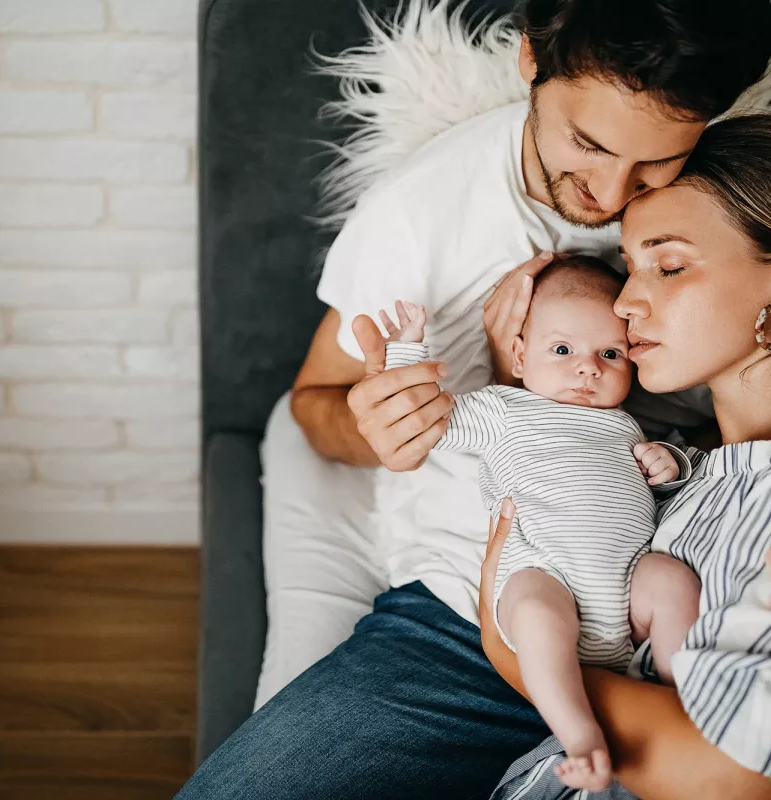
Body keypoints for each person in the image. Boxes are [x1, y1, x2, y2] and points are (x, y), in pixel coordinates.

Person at [175, 1, 771, 797]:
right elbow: (316, 400)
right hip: (477, 609)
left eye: (653, 165)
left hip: (666, 580)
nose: (611, 192)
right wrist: (381, 424)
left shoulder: (714, 180)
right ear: (529, 60)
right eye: (588, 144)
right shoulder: (420, 214)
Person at [481, 113, 771, 799]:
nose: (626, 302)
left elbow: (730, 776)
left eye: (668, 265)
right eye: (629, 267)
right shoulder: (696, 471)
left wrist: (514, 656)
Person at [381, 257, 698, 791]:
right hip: (544, 571)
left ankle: (681, 701)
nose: (587, 368)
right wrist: (408, 349)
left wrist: (666, 461)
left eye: (610, 353)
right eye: (562, 350)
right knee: (532, 608)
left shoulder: (624, 425)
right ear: (521, 357)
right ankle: (579, 735)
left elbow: (660, 477)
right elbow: (424, 415)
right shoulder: (505, 410)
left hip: (623, 588)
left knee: (672, 581)